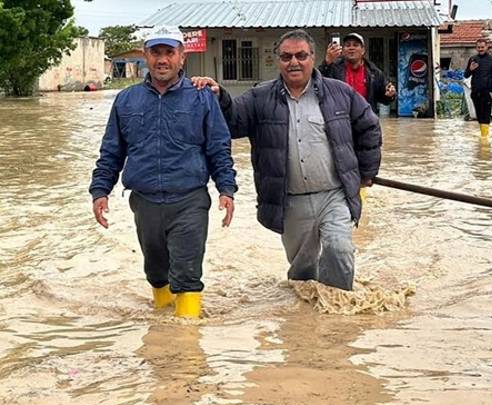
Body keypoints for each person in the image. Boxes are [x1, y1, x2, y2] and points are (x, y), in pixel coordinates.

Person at [192, 29, 381, 292]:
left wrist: (366, 172)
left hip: (334, 195)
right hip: (291, 201)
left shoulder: (340, 93)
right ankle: (304, 313)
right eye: (286, 56)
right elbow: (232, 123)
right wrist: (219, 96)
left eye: (301, 56)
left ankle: (337, 308)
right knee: (302, 271)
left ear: (313, 57)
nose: (294, 62)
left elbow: (369, 127)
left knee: (339, 250)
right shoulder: (260, 97)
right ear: (279, 60)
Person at [90, 25, 237, 319]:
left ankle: (188, 337)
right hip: (144, 201)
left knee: (187, 273)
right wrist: (100, 190)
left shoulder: (202, 97)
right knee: (156, 272)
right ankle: (160, 332)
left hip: (190, 200)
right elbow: (112, 151)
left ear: (182, 57)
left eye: (169, 52)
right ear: (146, 56)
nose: (162, 59)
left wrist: (226, 189)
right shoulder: (126, 100)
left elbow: (219, 147)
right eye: (155, 52)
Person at [320, 32, 396, 114]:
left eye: (355, 45)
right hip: (341, 117)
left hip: (366, 117)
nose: (351, 48)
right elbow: (317, 84)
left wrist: (390, 95)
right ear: (343, 50)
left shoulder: (374, 72)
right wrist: (326, 62)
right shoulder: (333, 69)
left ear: (363, 50)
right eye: (348, 45)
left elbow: (384, 98)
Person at [464, 38, 492, 138]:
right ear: (476, 48)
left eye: (482, 47)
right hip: (475, 92)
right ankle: (483, 136)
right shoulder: (473, 59)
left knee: (486, 115)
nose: (480, 49)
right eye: (478, 47)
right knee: (479, 116)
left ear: (487, 47)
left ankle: (485, 138)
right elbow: (466, 75)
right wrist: (470, 69)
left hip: (487, 92)